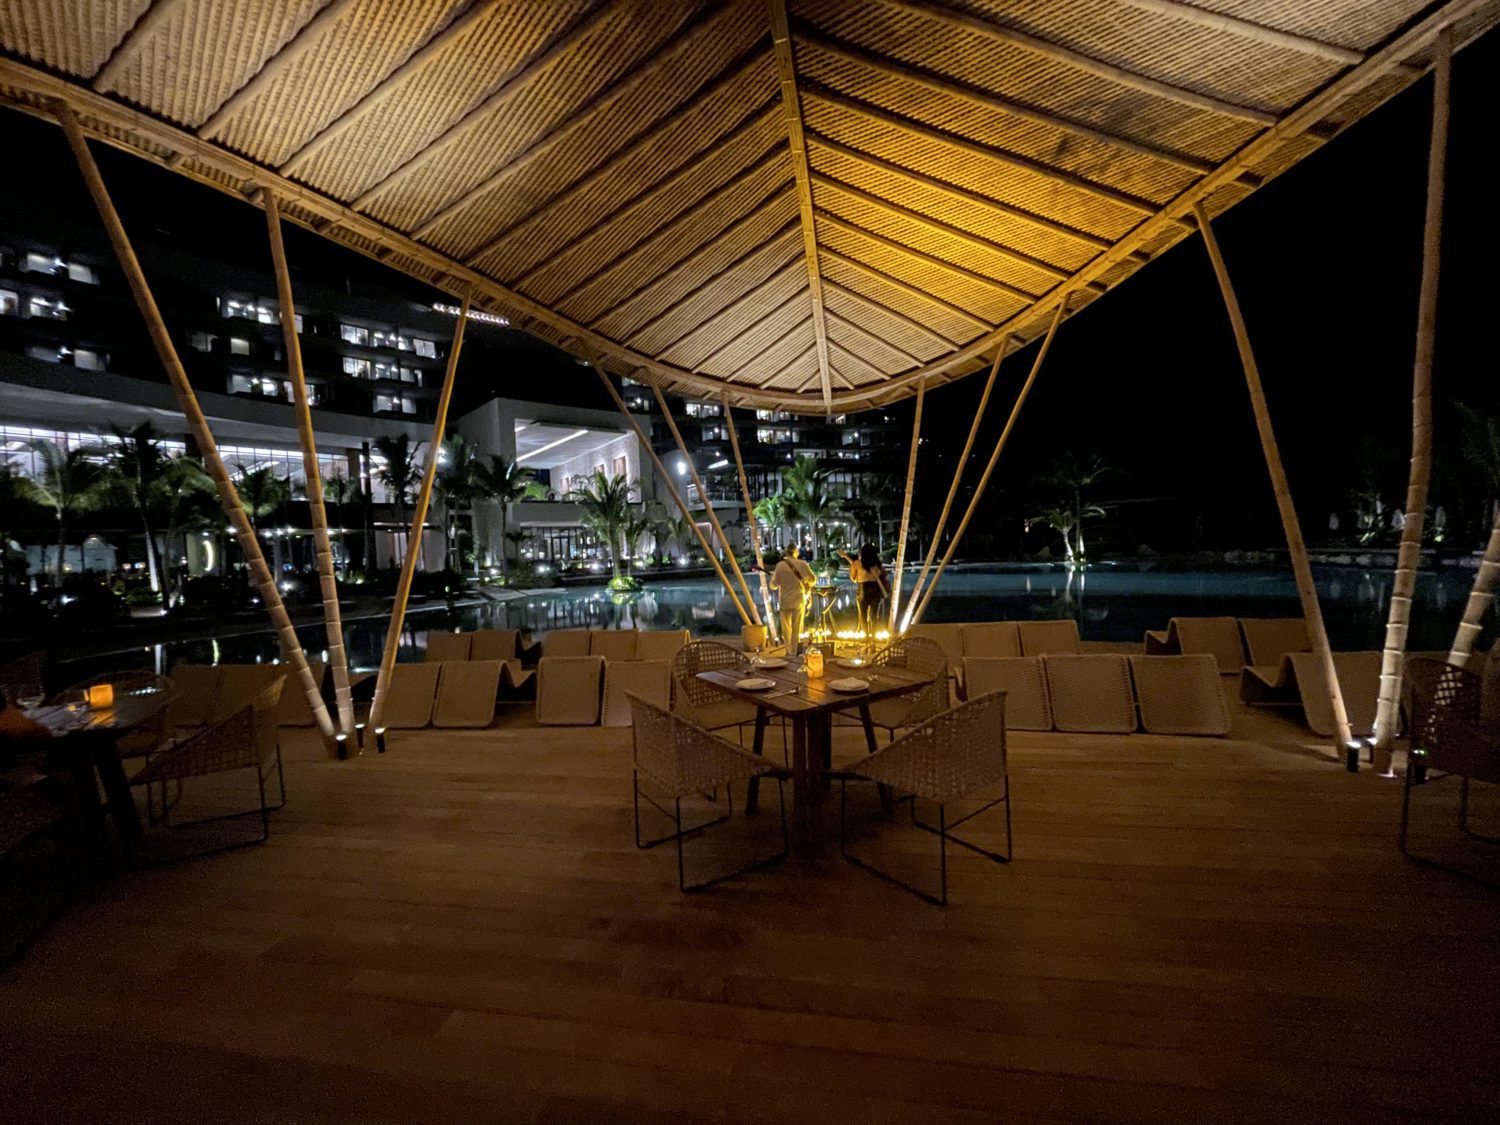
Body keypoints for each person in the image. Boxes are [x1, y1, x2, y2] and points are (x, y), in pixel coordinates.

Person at [838, 544, 890, 646]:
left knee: (863, 616)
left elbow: (853, 579)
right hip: (876, 589)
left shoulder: (857, 563)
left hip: (863, 589)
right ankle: (873, 639)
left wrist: (852, 567)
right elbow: (884, 574)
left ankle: (866, 639)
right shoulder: (877, 564)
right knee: (874, 616)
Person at [771, 544, 815, 656]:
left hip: (784, 600)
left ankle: (788, 650)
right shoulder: (802, 564)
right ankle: (795, 651)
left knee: (786, 628)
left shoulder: (780, 566)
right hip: (798, 599)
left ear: (786, 552)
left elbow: (773, 585)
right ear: (796, 552)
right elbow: (813, 580)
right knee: (797, 627)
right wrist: (805, 582)